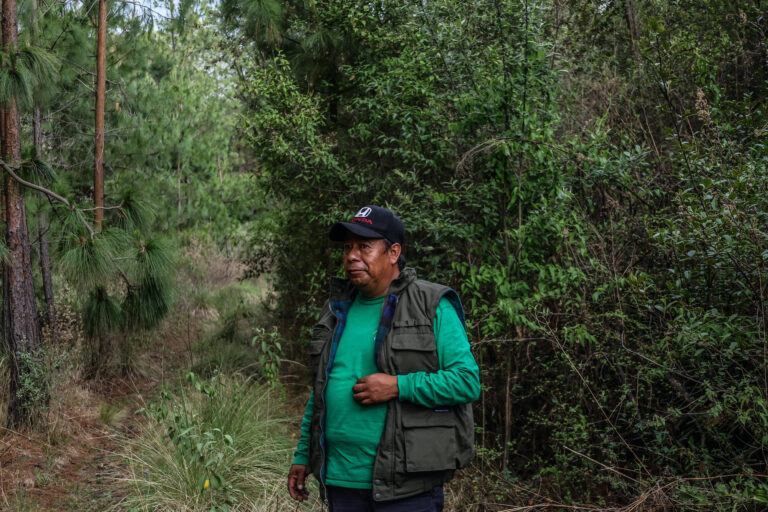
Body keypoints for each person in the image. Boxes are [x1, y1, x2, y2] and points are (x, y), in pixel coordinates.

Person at [288, 205, 480, 512]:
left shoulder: (431, 305)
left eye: (364, 246)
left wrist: (398, 386)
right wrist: (302, 456)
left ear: (393, 252)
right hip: (341, 481)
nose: (351, 256)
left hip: (406, 488)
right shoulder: (336, 310)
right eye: (348, 247)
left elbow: (466, 381)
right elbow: (320, 391)